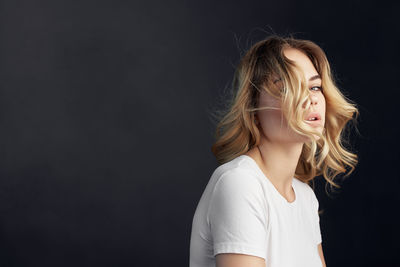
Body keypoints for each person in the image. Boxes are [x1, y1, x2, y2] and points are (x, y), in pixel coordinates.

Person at [189, 35, 359, 267]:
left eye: (315, 86)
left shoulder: (305, 198)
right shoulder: (240, 183)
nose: (311, 99)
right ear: (253, 109)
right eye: (289, 87)